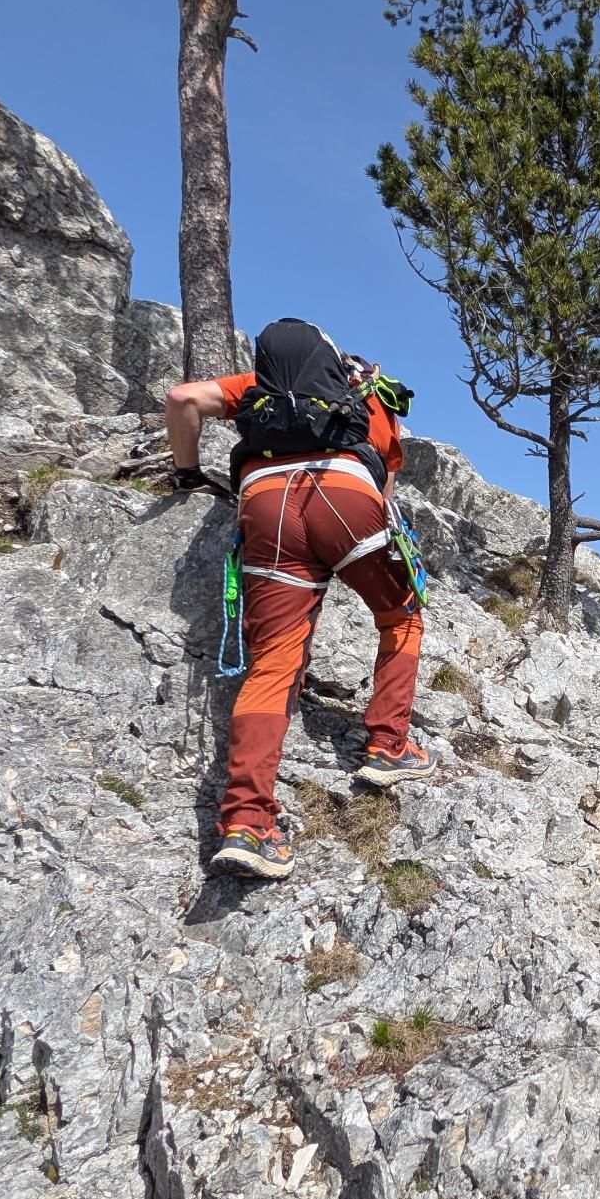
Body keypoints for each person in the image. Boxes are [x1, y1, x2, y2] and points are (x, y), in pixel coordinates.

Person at [165, 317, 433, 881]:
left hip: (264, 503)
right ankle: (388, 746)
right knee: (401, 617)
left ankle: (247, 824)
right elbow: (383, 480)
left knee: (274, 662)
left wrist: (187, 473)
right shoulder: (366, 393)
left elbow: (182, 398)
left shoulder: (258, 387)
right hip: (345, 494)